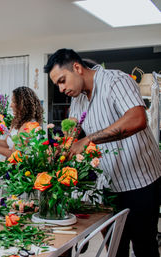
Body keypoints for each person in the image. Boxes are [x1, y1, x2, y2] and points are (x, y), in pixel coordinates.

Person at [44, 48, 161, 257]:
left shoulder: (116, 81)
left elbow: (137, 119)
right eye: (57, 85)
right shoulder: (77, 99)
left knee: (145, 247)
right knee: (116, 247)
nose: (61, 89)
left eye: (62, 80)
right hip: (108, 186)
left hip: (141, 182)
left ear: (77, 68)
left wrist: (87, 139)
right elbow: (72, 138)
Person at [0, 86, 43, 158]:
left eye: (14, 102)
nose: (11, 105)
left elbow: (15, 154)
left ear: (23, 105)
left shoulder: (28, 126)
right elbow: (6, 143)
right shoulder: (17, 122)